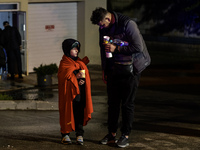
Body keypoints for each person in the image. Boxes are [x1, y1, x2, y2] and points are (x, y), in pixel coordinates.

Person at [90, 7, 150, 148]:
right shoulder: (103, 28)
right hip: (113, 69)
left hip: (131, 69)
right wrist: (104, 70)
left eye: (102, 24)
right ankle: (111, 133)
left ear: (108, 18)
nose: (101, 27)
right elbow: (102, 48)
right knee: (112, 103)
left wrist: (116, 48)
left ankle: (125, 135)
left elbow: (138, 47)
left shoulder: (128, 24)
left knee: (127, 104)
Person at [57, 38, 93, 145]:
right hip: (68, 95)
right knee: (67, 112)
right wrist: (74, 77)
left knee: (79, 113)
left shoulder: (80, 62)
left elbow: (83, 75)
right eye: (74, 48)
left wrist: (81, 80)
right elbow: (63, 77)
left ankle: (79, 134)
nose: (76, 50)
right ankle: (65, 135)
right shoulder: (64, 63)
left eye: (77, 48)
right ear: (67, 50)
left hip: (79, 94)